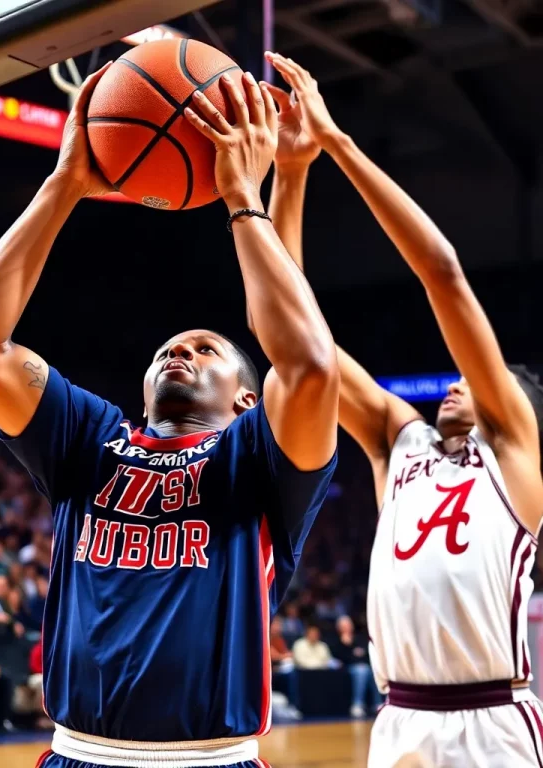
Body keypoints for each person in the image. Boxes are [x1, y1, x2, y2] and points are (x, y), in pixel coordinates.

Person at [0, 61, 338, 766]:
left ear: (249, 400)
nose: (179, 351)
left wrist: (242, 197)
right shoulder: (89, 438)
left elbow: (308, 366)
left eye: (205, 349)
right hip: (75, 754)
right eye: (168, 350)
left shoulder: (256, 458)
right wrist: (62, 186)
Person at [264, 52, 543, 767]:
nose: (457, 383)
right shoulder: (401, 443)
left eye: (479, 380)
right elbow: (301, 349)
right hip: (401, 722)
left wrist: (340, 144)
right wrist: (292, 174)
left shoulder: (512, 454)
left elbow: (441, 273)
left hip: (491, 723)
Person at [329, 615, 382, 718]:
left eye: (348, 625)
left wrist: (357, 653)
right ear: (339, 628)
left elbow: (367, 652)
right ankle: (357, 704)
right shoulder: (336, 640)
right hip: (347, 668)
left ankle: (377, 703)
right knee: (361, 670)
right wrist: (346, 646)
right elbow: (338, 656)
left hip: (365, 666)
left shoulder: (360, 638)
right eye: (344, 626)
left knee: (374, 670)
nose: (347, 627)